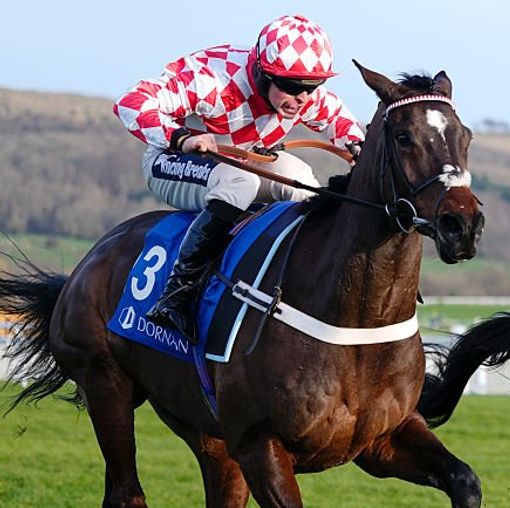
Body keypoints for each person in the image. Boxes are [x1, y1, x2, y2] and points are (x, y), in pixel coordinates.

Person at [114, 15, 365, 342]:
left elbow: (339, 120)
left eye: (312, 87)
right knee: (239, 182)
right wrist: (180, 138)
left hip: (242, 161)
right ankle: (177, 293)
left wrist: (355, 145)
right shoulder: (212, 81)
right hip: (172, 159)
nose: (302, 98)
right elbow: (130, 103)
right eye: (291, 87)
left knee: (302, 181)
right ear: (262, 73)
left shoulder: (302, 93)